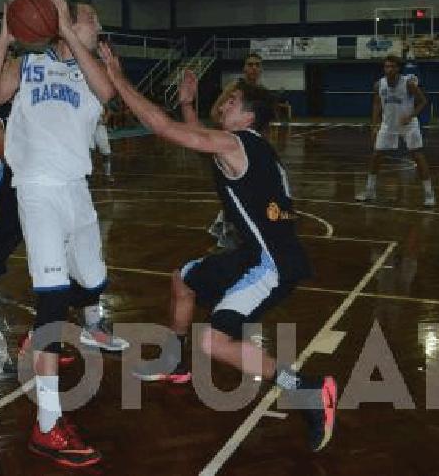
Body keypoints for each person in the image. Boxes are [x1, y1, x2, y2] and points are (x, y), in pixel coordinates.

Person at [99, 41, 336, 453]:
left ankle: (307, 388)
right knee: (183, 280)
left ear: (249, 117)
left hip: (271, 265)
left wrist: (118, 79)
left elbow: (163, 129)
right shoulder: (246, 148)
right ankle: (175, 362)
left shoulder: (238, 143)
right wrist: (189, 106)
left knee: (214, 341)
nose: (224, 103)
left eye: (233, 100)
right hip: (255, 254)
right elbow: (195, 139)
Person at [0, 0, 128, 468]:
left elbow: (108, 94)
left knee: (95, 284)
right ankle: (46, 426)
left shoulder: (88, 73)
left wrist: (61, 19)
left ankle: (48, 331)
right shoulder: (32, 62)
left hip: (76, 190)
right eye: (90, 19)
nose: (96, 26)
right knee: (52, 300)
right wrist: (4, 36)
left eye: (92, 23)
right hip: (36, 188)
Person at [208, 53, 274, 249]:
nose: (253, 68)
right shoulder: (234, 89)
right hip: (233, 148)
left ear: (261, 69)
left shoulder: (263, 93)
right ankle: (230, 234)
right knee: (237, 191)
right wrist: (230, 132)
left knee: (254, 191)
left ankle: (234, 229)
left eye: (257, 65)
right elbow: (214, 113)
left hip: (253, 150)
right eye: (250, 64)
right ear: (244, 68)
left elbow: (265, 126)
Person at [356, 55, 435, 207]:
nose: (389, 69)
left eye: (392, 66)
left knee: (418, 156)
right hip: (388, 125)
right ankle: (370, 191)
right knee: (376, 155)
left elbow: (423, 101)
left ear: (398, 68)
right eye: (386, 66)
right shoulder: (379, 84)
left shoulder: (408, 84)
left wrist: (410, 115)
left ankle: (429, 194)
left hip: (408, 124)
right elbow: (376, 105)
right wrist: (374, 125)